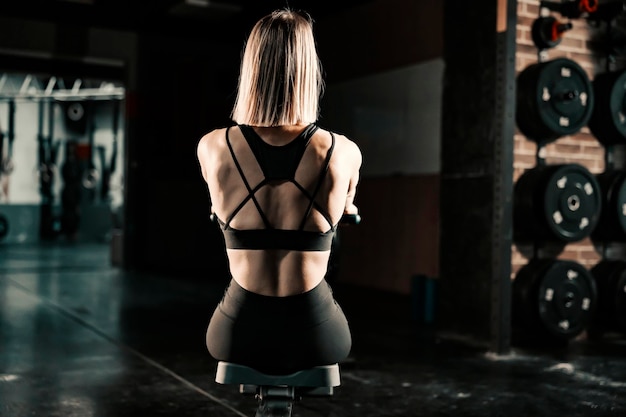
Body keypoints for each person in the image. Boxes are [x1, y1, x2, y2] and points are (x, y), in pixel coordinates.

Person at [196, 8, 362, 376]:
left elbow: (217, 206)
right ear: (308, 69)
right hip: (316, 334)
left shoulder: (212, 147)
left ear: (252, 66)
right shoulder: (344, 151)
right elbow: (346, 211)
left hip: (237, 332)